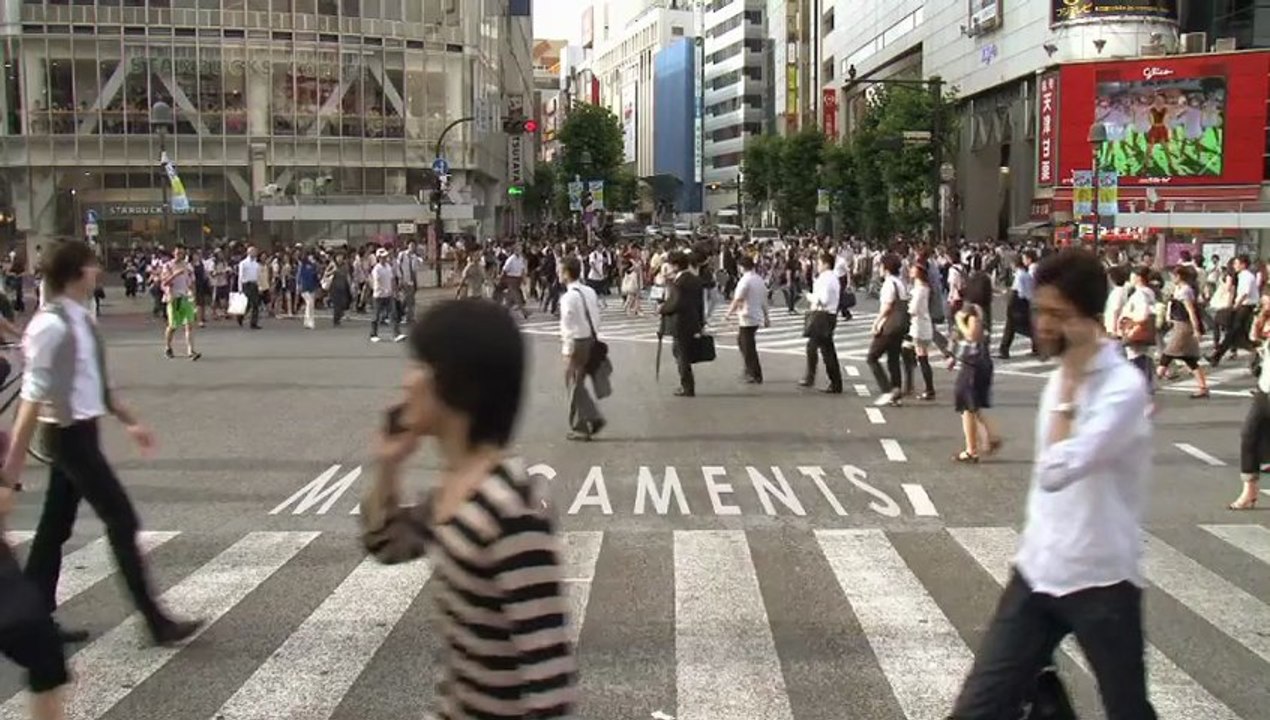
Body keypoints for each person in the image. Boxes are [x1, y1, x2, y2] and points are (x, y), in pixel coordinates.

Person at [949, 248, 1156, 720]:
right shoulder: (1062, 375)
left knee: (1127, 710)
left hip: (1102, 582)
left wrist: (1069, 391)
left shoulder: (1122, 389)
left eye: (1056, 315)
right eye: (1039, 310)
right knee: (977, 709)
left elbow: (1056, 472)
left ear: (1088, 319)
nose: (1042, 324)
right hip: (1037, 574)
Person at [359, 298, 578, 719]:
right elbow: (384, 544)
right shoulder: (454, 490)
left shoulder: (512, 509)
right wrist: (389, 466)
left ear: (455, 380)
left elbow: (549, 685)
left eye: (420, 365)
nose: (406, 381)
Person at [2, 241, 203, 647]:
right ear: (77, 273)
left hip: (81, 432)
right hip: (67, 436)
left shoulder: (79, 317)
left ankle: (32, 616)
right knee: (121, 519)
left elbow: (96, 383)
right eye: (92, 266)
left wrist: (131, 421)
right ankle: (155, 621)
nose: (97, 271)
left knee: (54, 527)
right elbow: (30, 401)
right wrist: (9, 476)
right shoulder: (50, 326)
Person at [559, 256, 606, 440]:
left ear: (566, 273)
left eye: (560, 270)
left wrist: (567, 349)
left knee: (573, 384)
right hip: (590, 339)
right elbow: (596, 316)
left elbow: (567, 325)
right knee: (578, 383)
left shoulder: (568, 297)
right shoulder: (589, 291)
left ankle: (582, 425)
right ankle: (591, 417)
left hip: (577, 342)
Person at [659, 252, 705, 397]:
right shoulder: (696, 280)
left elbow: (676, 302)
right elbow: (700, 304)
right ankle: (687, 384)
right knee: (682, 353)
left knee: (681, 355)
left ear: (676, 266)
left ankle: (687, 386)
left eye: (671, 265)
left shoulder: (679, 283)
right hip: (693, 320)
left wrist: (663, 308)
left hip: (680, 322)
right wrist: (701, 322)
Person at [801, 251, 843, 394]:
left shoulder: (825, 279)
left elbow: (823, 300)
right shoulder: (834, 278)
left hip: (822, 315)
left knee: (818, 348)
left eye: (819, 263)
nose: (817, 266)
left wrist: (809, 296)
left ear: (826, 264)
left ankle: (813, 377)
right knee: (825, 348)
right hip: (830, 315)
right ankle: (834, 382)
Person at [727, 254, 768, 384]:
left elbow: (738, 298)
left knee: (747, 346)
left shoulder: (745, 280)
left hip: (747, 315)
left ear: (741, 267)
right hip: (756, 314)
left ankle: (754, 373)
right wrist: (766, 316)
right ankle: (749, 370)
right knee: (743, 342)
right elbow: (764, 299)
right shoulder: (759, 279)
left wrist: (729, 313)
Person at [160, 246, 201, 360]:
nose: (179, 255)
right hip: (174, 298)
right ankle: (168, 347)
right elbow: (164, 282)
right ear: (173, 253)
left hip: (185, 298)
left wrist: (193, 296)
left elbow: (192, 282)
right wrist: (175, 274)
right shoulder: (168, 266)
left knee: (189, 324)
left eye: (182, 253)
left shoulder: (188, 266)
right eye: (177, 253)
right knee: (173, 326)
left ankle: (191, 350)